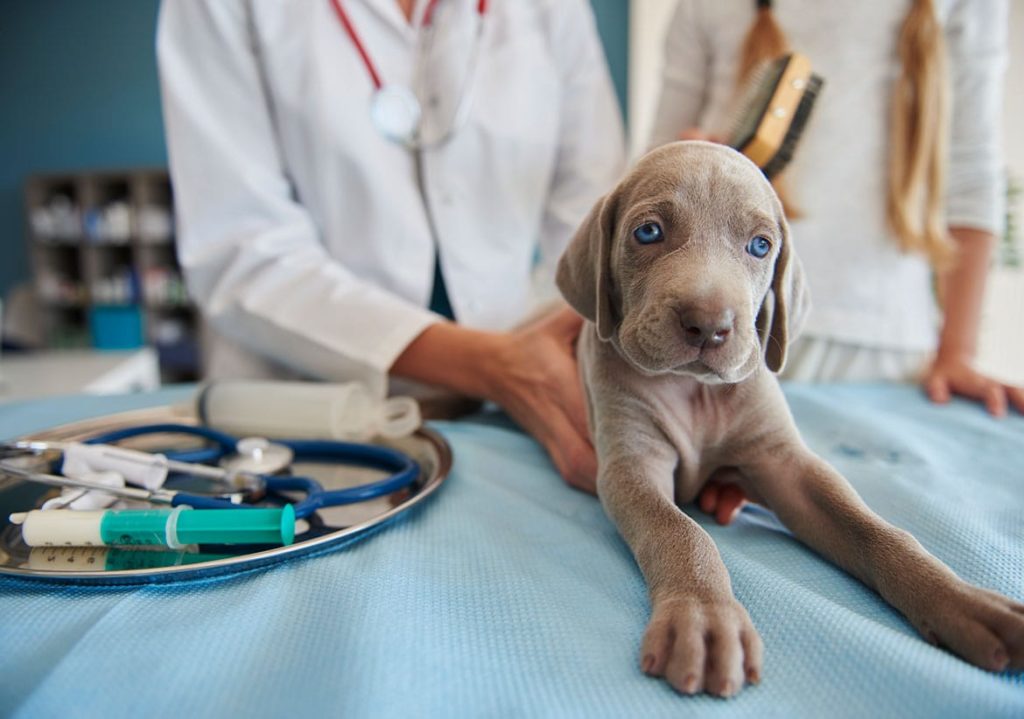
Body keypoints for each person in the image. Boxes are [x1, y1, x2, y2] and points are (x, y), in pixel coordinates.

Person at [157, 0, 626, 492]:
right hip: (307, 418)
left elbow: (593, 221)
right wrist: (497, 365)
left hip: (513, 413)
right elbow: (240, 247)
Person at [650, 0, 1020, 524]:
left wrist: (957, 351)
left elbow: (971, 178)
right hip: (725, 336)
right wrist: (683, 160)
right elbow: (652, 163)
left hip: (888, 358)